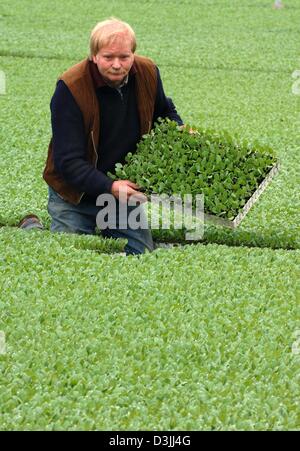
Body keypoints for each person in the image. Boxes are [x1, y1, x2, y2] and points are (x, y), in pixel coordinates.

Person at [20, 18, 183, 255]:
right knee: (66, 257)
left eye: (124, 57)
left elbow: (165, 112)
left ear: (133, 54)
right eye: (108, 57)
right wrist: (110, 186)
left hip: (121, 193)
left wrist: (178, 131)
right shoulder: (71, 87)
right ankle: (32, 228)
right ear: (94, 55)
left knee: (141, 255)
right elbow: (69, 162)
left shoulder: (148, 73)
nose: (117, 64)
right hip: (75, 194)